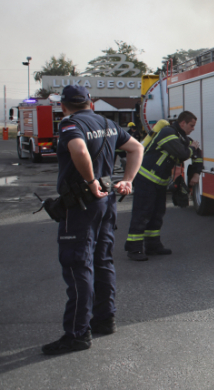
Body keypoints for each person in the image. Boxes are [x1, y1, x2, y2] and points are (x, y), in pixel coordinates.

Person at [42, 85, 143, 355]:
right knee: (102, 260)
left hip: (82, 205)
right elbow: (136, 148)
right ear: (91, 103)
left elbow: (79, 150)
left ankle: (77, 334)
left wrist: (88, 181)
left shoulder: (70, 125)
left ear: (63, 106)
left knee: (78, 264)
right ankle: (104, 318)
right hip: (106, 202)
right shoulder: (108, 124)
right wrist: (128, 181)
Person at [124, 110, 202, 261]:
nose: (193, 128)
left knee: (157, 214)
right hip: (146, 179)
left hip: (159, 182)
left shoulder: (181, 137)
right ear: (182, 123)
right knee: (142, 213)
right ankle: (134, 248)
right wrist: (191, 148)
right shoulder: (167, 133)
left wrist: (196, 172)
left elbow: (197, 153)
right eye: (191, 125)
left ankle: (153, 245)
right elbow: (182, 153)